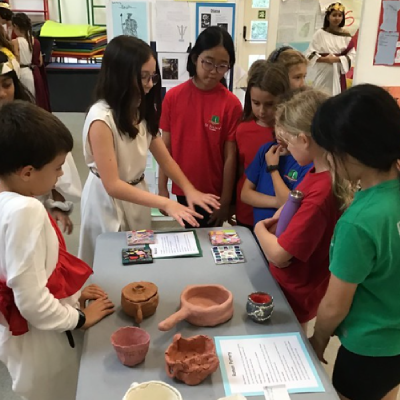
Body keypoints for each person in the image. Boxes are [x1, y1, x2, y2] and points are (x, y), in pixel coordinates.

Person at [0, 101, 115, 400]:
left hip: (21, 344)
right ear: (26, 172)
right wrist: (80, 318)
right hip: (44, 345)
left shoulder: (9, 202)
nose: (60, 174)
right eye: (57, 168)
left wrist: (73, 295)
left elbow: (27, 274)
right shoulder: (25, 211)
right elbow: (31, 302)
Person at [79, 35, 220, 266]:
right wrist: (165, 202)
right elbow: (113, 185)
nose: (149, 83)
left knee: (139, 255)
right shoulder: (101, 119)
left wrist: (189, 189)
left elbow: (165, 158)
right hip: (107, 201)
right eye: (143, 77)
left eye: (152, 76)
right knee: (108, 263)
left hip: (136, 194)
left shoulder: (138, 108)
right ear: (120, 75)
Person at [309, 84, 400, 400]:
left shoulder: (359, 222)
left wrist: (318, 341)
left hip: (367, 349)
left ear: (348, 152)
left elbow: (335, 305)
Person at [254, 89, 347, 330]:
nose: (287, 149)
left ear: (304, 139)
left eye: (288, 141)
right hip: (291, 287)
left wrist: (258, 229)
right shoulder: (318, 173)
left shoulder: (322, 193)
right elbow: (289, 208)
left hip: (294, 294)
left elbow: (279, 255)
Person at [158, 26, 243, 227]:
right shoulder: (173, 97)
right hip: (182, 189)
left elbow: (230, 157)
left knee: (211, 247)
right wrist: (162, 188)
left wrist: (225, 199)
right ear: (195, 58)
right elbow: (164, 147)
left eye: (222, 66)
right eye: (208, 63)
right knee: (189, 240)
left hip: (213, 193)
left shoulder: (231, 104)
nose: (214, 72)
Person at [0, 51, 80, 235]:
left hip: (34, 212)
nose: (3, 93)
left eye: (7, 85)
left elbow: (56, 167)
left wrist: (57, 204)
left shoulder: (31, 123)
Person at [241, 88, 312, 229]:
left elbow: (288, 203)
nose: (279, 132)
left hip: (280, 237)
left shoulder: (306, 162)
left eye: (285, 127)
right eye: (277, 124)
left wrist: (273, 169)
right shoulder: (266, 150)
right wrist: (275, 202)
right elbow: (245, 194)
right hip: (259, 233)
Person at [237, 63, 296, 229]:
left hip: (282, 219)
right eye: (256, 103)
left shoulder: (292, 137)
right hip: (249, 212)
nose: (262, 111)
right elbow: (239, 171)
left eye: (269, 104)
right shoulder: (243, 130)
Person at [305, 2, 355, 95]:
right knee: (320, 95)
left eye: (340, 15)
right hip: (323, 72)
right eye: (334, 15)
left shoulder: (346, 36)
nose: (337, 18)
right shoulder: (320, 33)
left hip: (338, 73)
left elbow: (352, 55)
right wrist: (326, 59)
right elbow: (310, 54)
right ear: (328, 17)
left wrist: (337, 59)